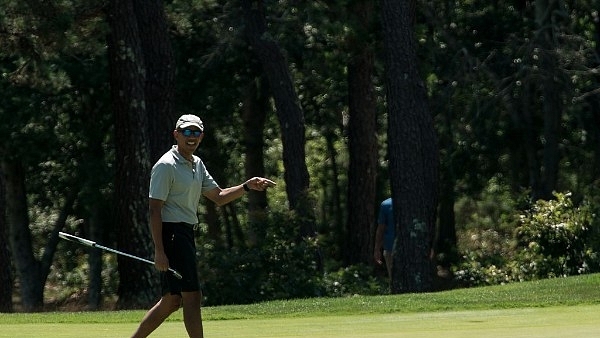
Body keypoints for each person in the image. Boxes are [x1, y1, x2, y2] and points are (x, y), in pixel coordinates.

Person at [131, 114, 276, 338]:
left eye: (196, 132)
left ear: (201, 136)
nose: (192, 137)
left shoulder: (196, 164)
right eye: (187, 132)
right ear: (176, 135)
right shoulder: (166, 165)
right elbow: (154, 209)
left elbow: (218, 196)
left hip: (185, 234)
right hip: (172, 234)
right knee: (192, 295)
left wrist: (247, 186)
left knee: (171, 300)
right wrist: (159, 251)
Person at [374, 197, 394, 281]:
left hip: (390, 247)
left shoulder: (386, 204)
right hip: (411, 247)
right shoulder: (414, 201)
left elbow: (380, 229)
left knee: (393, 277)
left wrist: (377, 249)